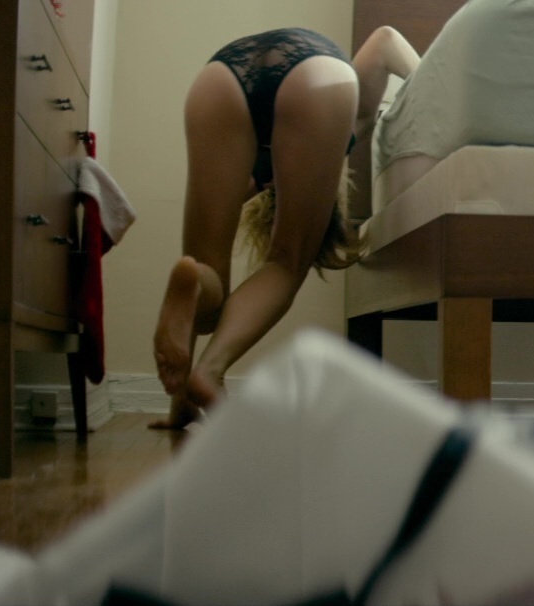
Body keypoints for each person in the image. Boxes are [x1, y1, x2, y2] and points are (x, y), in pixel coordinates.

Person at [149, 26, 418, 429]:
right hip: (314, 71)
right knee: (286, 264)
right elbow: (385, 39)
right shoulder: (317, 147)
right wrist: (438, 94)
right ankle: (210, 371)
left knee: (204, 283)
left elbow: (384, 41)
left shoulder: (262, 177)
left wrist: (178, 409)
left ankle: (191, 301)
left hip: (225, 71)